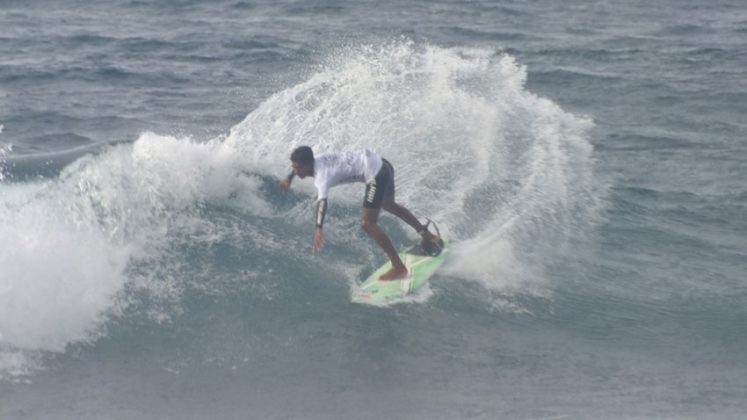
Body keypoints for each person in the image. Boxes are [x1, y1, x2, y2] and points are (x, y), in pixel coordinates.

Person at [279, 146, 441, 281]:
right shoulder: (315, 159)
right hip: (383, 164)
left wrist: (318, 228)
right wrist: (289, 178)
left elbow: (322, 203)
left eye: (299, 168)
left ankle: (399, 268)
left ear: (309, 164)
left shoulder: (322, 176)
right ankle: (427, 235)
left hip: (376, 174)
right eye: (294, 167)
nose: (296, 171)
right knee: (388, 204)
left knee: (367, 224)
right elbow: (298, 166)